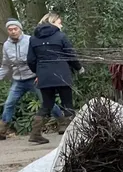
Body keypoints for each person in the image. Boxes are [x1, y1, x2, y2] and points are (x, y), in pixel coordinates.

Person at [0, 18, 63, 140]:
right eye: (10, 29)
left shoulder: (30, 40)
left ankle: (63, 122)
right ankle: (2, 130)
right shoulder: (7, 45)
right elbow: (5, 65)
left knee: (47, 102)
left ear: (20, 29)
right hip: (18, 81)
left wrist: (41, 75)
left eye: (15, 29)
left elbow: (40, 59)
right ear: (7, 31)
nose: (13, 31)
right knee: (9, 103)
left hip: (34, 78)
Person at [26, 13, 83, 144]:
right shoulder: (60, 36)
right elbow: (70, 54)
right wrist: (79, 68)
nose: (61, 25)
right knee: (67, 104)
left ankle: (35, 134)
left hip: (44, 76)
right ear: (53, 22)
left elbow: (30, 60)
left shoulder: (33, 39)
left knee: (46, 105)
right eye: (59, 22)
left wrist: (39, 72)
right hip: (62, 74)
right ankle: (74, 134)